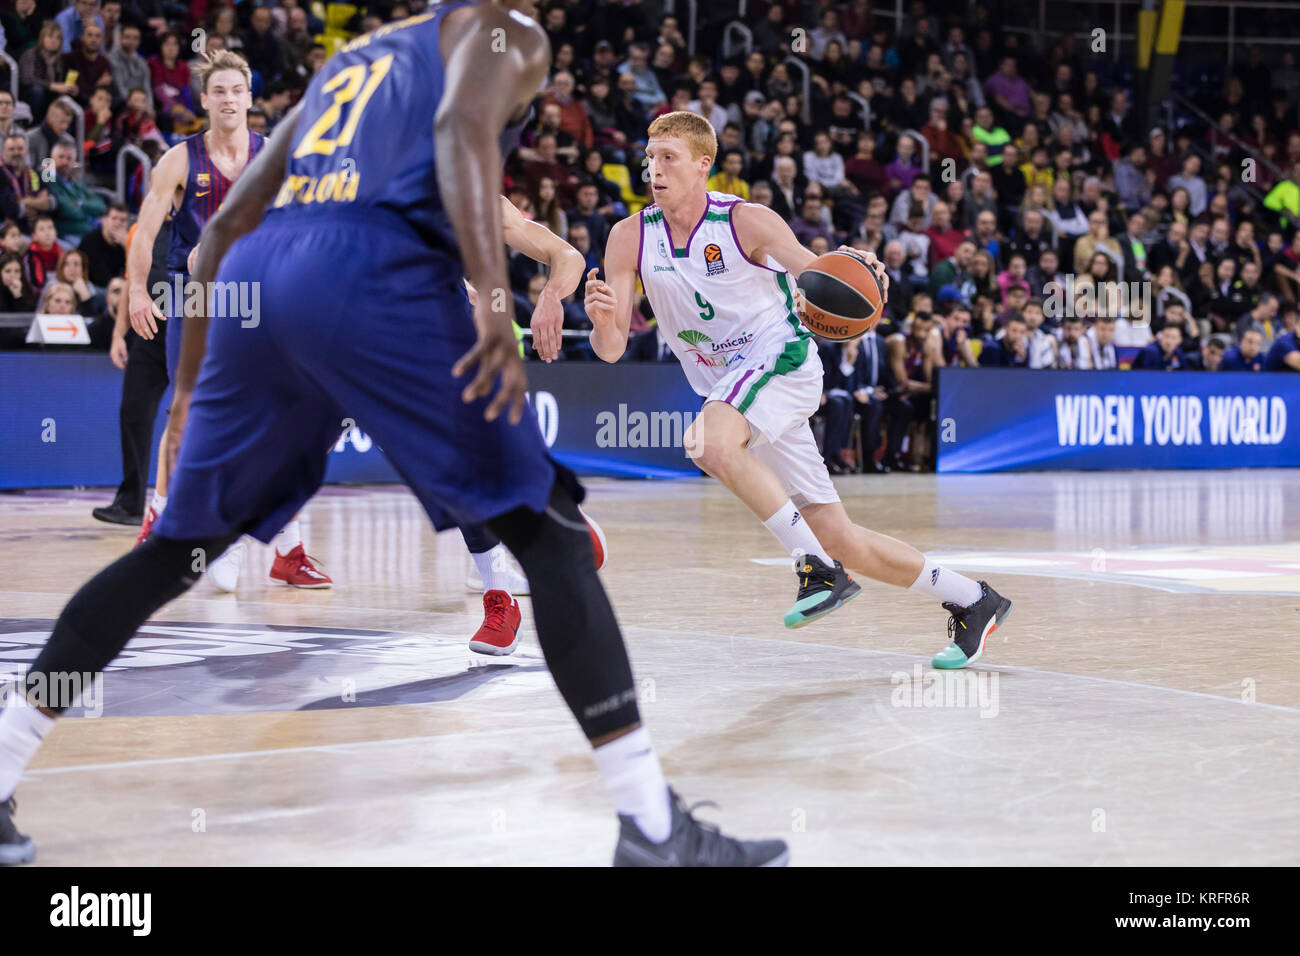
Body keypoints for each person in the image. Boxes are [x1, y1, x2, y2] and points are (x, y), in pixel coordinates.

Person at [0, 1, 785, 869]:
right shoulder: (509, 32)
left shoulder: (353, 61)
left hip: (264, 275)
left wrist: (189, 393)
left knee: (174, 551)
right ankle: (651, 826)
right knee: (552, 537)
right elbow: (462, 144)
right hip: (371, 271)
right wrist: (494, 306)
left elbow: (223, 228)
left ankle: (2, 767)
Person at [585, 110, 1011, 667]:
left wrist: (863, 268)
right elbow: (612, 347)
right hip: (731, 387)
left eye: (668, 157)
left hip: (779, 359)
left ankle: (815, 570)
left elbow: (821, 275)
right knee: (840, 535)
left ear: (703, 164)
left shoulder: (748, 222)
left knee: (709, 444)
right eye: (649, 157)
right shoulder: (629, 237)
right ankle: (973, 599)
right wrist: (600, 320)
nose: (654, 168)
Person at [126, 50, 329, 590]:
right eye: (219, 91)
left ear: (250, 98)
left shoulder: (275, 159)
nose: (229, 99)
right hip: (196, 299)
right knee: (186, 410)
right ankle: (160, 516)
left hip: (259, 298)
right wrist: (136, 293)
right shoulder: (177, 160)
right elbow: (144, 232)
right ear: (206, 99)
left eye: (237, 90)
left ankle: (289, 550)